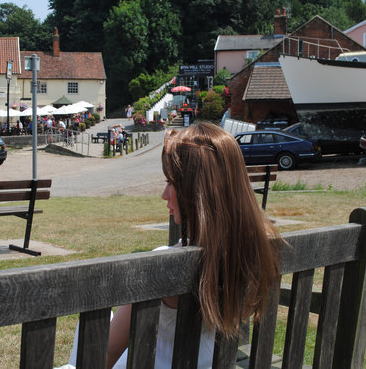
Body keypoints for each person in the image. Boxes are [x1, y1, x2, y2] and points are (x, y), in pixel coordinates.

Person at [64, 122, 283, 368]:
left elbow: (104, 355)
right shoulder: (255, 254)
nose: (164, 194)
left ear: (197, 192)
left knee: (89, 327)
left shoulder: (164, 265)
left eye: (171, 183)